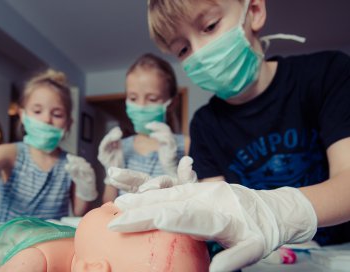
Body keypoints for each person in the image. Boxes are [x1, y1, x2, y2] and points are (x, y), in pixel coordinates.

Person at [106, 0, 350, 271]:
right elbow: (220, 215)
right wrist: (190, 204)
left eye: (210, 26)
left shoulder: (328, 74)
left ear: (254, 11)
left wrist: (279, 211)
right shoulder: (204, 126)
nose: (200, 52)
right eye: (183, 49)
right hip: (260, 259)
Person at [0, 69, 98, 222]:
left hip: (49, 245)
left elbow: (78, 211)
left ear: (69, 122)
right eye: (37, 111)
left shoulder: (72, 164)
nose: (46, 119)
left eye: (57, 114)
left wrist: (86, 190)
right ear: (22, 115)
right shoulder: (9, 153)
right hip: (10, 245)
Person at [0, 202, 210, 272]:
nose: (116, 203)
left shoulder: (35, 262)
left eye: (116, 214)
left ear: (94, 269)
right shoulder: (82, 249)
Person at [98, 53, 189, 202]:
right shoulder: (121, 147)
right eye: (133, 98)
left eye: (152, 99)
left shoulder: (185, 145)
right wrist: (110, 175)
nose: (140, 106)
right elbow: (108, 205)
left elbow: (193, 205)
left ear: (172, 103)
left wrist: (172, 170)